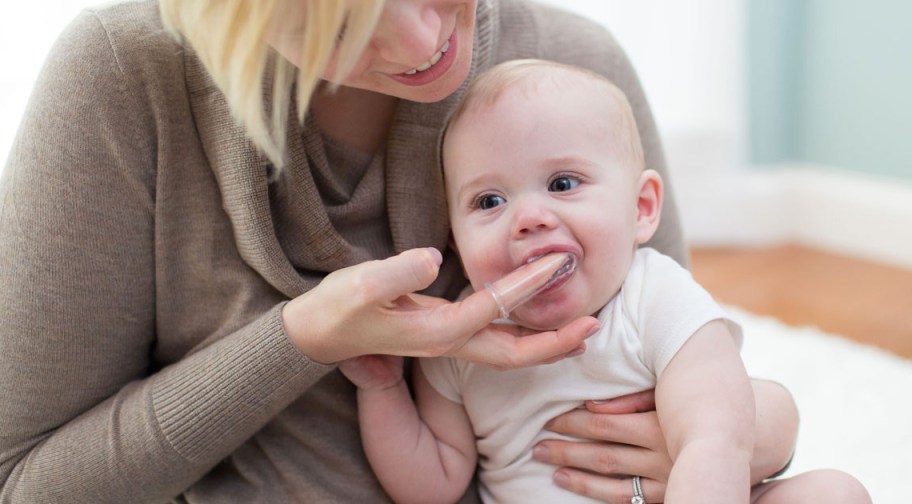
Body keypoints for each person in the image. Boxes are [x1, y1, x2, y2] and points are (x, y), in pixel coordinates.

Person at [0, 0, 804, 502]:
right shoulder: (125, 79)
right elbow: (25, 484)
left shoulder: (574, 69)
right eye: (340, 24)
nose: (420, 44)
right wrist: (303, 341)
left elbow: (681, 369)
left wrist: (755, 433)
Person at [340, 59, 871, 504]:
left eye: (562, 183)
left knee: (833, 492)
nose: (528, 217)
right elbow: (432, 482)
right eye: (489, 201)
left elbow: (716, 436)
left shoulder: (657, 297)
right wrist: (382, 388)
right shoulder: (459, 337)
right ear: (456, 240)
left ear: (641, 210)